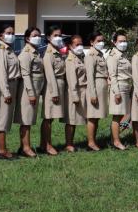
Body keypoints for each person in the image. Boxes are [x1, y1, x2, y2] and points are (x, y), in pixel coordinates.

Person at [15, 27, 44, 157]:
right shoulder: (26, 53)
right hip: (28, 90)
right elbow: (26, 74)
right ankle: (26, 147)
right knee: (26, 120)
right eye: (35, 35)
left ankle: (23, 147)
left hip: (35, 88)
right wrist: (31, 93)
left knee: (30, 118)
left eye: (39, 35)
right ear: (27, 38)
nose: (38, 38)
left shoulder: (35, 52)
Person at [0, 25, 19, 159]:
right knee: (2, 119)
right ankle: (2, 150)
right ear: (1, 36)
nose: (11, 35)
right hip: (5, 86)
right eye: (8, 33)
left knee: (3, 118)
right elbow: (1, 73)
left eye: (13, 33)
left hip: (12, 84)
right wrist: (6, 92)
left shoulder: (9, 49)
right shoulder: (1, 49)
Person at [40, 26, 67, 155]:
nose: (58, 38)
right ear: (48, 37)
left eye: (60, 35)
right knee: (48, 117)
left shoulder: (58, 51)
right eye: (55, 35)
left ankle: (43, 144)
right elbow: (50, 75)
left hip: (59, 84)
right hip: (52, 87)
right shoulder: (49, 53)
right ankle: (47, 145)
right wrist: (54, 92)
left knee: (51, 118)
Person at [107, 31, 132, 150]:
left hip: (125, 86)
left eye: (125, 41)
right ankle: (116, 141)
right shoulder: (113, 56)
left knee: (121, 114)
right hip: (118, 87)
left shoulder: (124, 55)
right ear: (114, 42)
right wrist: (117, 92)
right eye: (120, 41)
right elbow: (112, 75)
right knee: (117, 116)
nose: (123, 43)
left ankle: (114, 139)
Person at [84, 33, 108, 152]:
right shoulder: (91, 55)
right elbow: (90, 76)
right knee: (92, 117)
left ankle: (94, 140)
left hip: (101, 87)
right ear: (91, 42)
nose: (101, 43)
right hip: (95, 88)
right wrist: (92, 94)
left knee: (96, 117)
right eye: (98, 41)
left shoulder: (100, 54)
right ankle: (91, 142)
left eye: (102, 40)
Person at [64, 35, 88, 152]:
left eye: (81, 44)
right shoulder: (70, 59)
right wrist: (75, 96)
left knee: (78, 118)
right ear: (70, 46)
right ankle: (69, 144)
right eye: (77, 44)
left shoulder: (81, 57)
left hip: (83, 90)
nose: (80, 46)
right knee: (71, 119)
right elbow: (71, 79)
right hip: (75, 91)